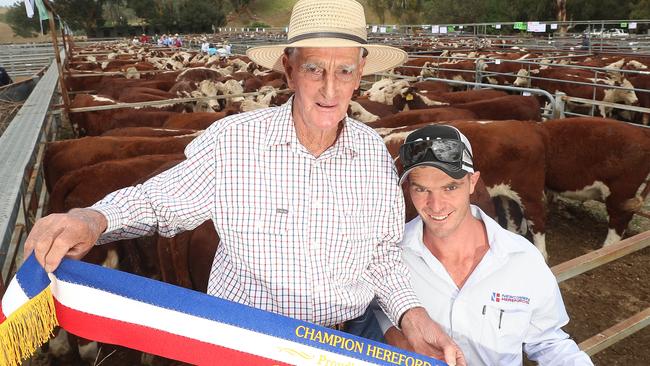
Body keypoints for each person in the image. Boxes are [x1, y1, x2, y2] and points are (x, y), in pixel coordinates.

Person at [24, 0, 465, 365]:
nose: (330, 89)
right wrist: (93, 217)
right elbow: (159, 201)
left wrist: (412, 314)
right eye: (315, 69)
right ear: (289, 71)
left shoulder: (373, 155)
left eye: (344, 71)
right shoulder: (234, 141)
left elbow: (382, 256)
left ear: (361, 72)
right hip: (246, 343)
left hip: (344, 346)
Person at [372, 125, 594, 365]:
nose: (436, 205)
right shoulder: (389, 253)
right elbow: (370, 311)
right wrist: (396, 335)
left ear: (472, 182)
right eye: (421, 189)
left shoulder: (522, 258)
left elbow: (549, 341)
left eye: (450, 187)